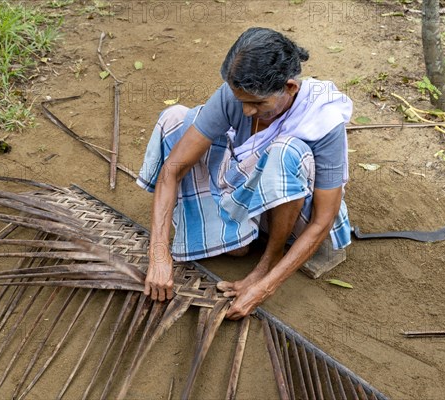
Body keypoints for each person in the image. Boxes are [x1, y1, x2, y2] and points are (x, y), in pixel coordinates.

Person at [136, 27, 353, 320]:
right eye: (242, 102)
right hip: (255, 191)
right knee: (176, 119)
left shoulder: (322, 117)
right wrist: (158, 255)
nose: (248, 111)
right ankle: (238, 238)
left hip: (296, 213)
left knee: (286, 150)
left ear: (289, 88)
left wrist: (265, 283)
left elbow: (322, 220)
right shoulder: (234, 96)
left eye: (258, 103)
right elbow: (173, 170)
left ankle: (268, 257)